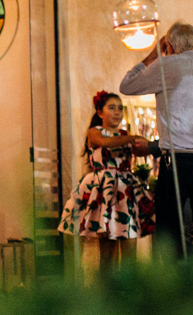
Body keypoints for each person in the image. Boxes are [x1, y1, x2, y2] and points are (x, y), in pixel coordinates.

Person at [119, 21, 193, 255]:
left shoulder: (167, 65)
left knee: (169, 230)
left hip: (178, 160)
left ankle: (179, 284)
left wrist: (153, 56)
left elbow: (127, 86)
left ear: (169, 45)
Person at [59, 91, 155, 266]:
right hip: (104, 190)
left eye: (120, 108)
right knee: (107, 249)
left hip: (125, 192)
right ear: (100, 112)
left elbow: (142, 150)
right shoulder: (95, 133)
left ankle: (127, 289)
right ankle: (106, 289)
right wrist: (133, 138)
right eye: (112, 108)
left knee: (129, 243)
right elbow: (104, 142)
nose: (117, 112)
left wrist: (149, 146)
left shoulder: (125, 133)